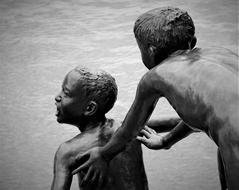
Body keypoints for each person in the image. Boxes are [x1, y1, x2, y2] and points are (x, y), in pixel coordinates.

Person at [72, 7, 239, 190]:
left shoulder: (155, 77)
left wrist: (103, 154)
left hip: (235, 137)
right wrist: (166, 141)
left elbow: (128, 132)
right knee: (222, 148)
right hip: (230, 133)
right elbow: (210, 114)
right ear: (193, 42)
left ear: (150, 51)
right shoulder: (221, 54)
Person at [51, 66, 148, 190]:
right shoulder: (130, 127)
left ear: (90, 108)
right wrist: (165, 140)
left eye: (66, 93)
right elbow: (179, 119)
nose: (57, 97)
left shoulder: (67, 151)